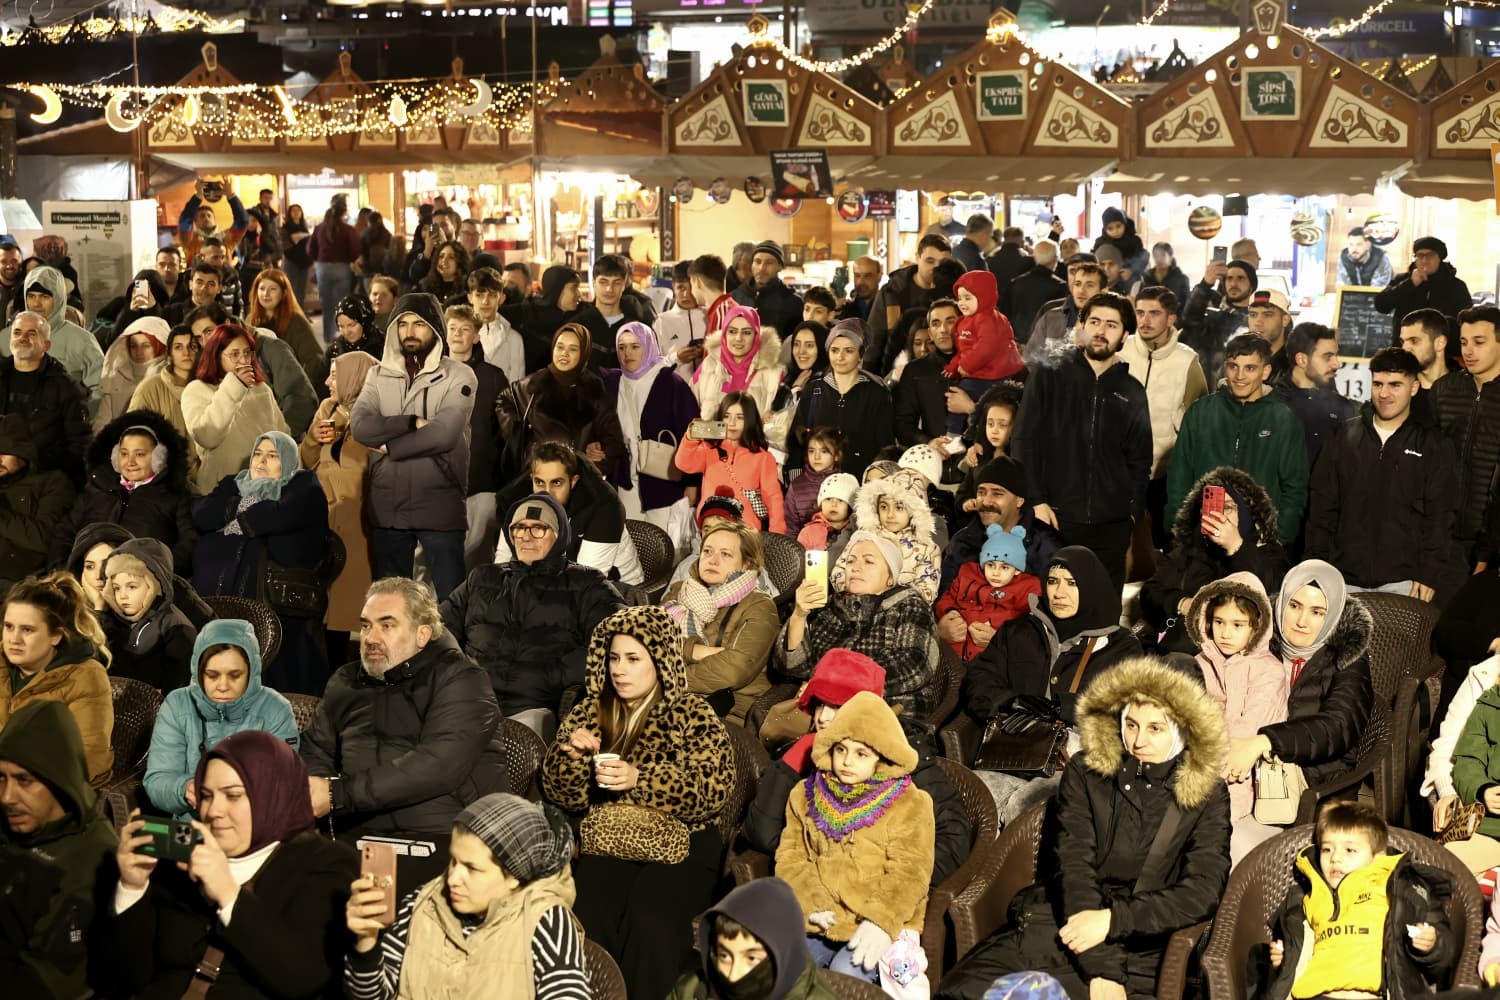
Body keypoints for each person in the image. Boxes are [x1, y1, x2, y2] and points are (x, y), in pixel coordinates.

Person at [937, 658, 1230, 1000]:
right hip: (1065, 918)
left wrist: (1113, 921)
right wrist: (1100, 965)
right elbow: (1073, 865)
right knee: (963, 992)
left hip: (1141, 941)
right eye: (1131, 724)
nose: (1137, 741)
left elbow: (1202, 891)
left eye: (1156, 728)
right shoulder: (1087, 771)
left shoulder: (1208, 793)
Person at [541, 605, 734, 1000]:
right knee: (589, 909)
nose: (619, 669)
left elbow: (714, 787)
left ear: (659, 660)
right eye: (613, 658)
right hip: (611, 838)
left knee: (650, 918)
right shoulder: (590, 712)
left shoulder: (691, 712)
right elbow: (562, 794)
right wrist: (569, 758)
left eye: (632, 659)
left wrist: (641, 780)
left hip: (685, 844)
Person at [102, 730, 358, 997]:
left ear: (274, 796)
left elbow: (305, 979)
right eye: (207, 795)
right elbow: (123, 981)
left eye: (233, 795)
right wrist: (131, 889)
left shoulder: (324, 863)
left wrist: (228, 893)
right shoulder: (179, 861)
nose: (213, 811)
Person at [303, 577, 504, 857]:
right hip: (351, 835)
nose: (371, 638)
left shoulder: (461, 679)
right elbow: (316, 749)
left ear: (422, 635)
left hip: (442, 839)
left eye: (387, 625)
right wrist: (316, 794)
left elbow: (438, 766)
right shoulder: (345, 680)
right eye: (366, 625)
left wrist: (337, 795)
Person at [960, 546, 1144, 820]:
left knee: (1026, 807)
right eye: (1053, 581)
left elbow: (1128, 709)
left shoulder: (1121, 647)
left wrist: (1063, 707)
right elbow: (978, 679)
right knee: (968, 801)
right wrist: (1010, 700)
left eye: (1072, 583)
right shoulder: (1019, 630)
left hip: (1077, 763)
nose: (1059, 593)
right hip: (1011, 752)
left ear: (1091, 587)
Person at [344, 793, 586, 1000]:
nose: (452, 878)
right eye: (453, 861)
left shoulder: (544, 920)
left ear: (514, 875)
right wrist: (366, 941)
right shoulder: (423, 903)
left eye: (472, 868)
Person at [776, 690, 934, 983]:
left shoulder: (910, 802)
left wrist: (880, 921)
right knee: (784, 966)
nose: (847, 761)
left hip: (879, 921)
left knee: (844, 974)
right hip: (823, 917)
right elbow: (792, 857)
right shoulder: (805, 794)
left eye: (861, 753)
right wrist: (812, 904)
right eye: (840, 750)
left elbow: (911, 872)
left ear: (881, 757)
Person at [442, 492, 623, 740]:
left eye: (538, 528)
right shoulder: (483, 577)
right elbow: (438, 629)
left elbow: (616, 638)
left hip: (536, 707)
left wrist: (555, 676)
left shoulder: (587, 584)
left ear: (558, 534)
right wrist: (461, 671)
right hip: (471, 700)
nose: (526, 537)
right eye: (518, 528)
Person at [1012, 291, 1152, 593]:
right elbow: (1024, 440)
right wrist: (1036, 500)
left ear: (1126, 334)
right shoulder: (1049, 376)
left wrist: (1131, 511)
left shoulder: (1131, 390)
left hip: (1111, 524)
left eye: (1112, 325)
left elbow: (1140, 458)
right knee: (1054, 606)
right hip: (1055, 517)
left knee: (1105, 609)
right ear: (1081, 325)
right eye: (1094, 322)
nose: (1101, 332)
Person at [1308, 346, 1466, 604]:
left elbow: (1440, 516)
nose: (1384, 393)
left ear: (1414, 388)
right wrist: (1316, 568)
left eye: (1395, 385)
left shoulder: (1434, 445)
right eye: (1378, 383)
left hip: (1405, 583)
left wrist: (1429, 574)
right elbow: (1322, 509)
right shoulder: (1342, 438)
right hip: (1342, 580)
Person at [348, 293, 476, 602]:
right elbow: (360, 425)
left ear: (435, 329)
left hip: (439, 505)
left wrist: (389, 446)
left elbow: (444, 434)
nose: (409, 331)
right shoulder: (377, 375)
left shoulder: (459, 375)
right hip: (387, 508)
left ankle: (451, 653)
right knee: (391, 603)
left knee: (451, 604)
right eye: (402, 324)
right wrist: (409, 422)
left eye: (419, 324)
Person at [1256, 801, 1454, 998]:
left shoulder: (1402, 889)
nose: (1335, 858)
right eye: (1327, 849)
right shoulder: (1303, 898)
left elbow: (1445, 955)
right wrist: (1284, 960)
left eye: (1349, 850)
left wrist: (1432, 945)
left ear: (1377, 855)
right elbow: (1295, 954)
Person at [192, 431, 329, 694]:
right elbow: (202, 513)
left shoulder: (303, 485)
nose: (261, 461)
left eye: (272, 456)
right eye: (257, 453)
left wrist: (234, 521)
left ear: (287, 461)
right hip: (222, 590)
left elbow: (277, 517)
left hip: (276, 597)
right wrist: (248, 505)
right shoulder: (235, 483)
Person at [1222, 560, 1375, 795]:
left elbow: (1339, 726)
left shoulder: (1348, 655)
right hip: (1249, 766)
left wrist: (1265, 741)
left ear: (1333, 613)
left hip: (1318, 781)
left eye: (1317, 612)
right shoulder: (1258, 640)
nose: (1302, 621)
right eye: (1294, 606)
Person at [0, 700, 116, 999]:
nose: (8, 796)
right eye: (2, 778)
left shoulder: (93, 857)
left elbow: (47, 979)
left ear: (58, 779)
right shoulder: (10, 822)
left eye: (25, 781)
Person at [777, 531, 940, 724]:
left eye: (869, 561)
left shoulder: (909, 605)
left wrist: (832, 683)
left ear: (890, 576)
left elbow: (914, 665)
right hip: (824, 712)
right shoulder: (830, 607)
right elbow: (793, 668)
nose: (855, 568)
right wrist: (799, 614)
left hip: (888, 716)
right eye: (850, 561)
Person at [143, 618, 297, 818]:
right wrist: (183, 788)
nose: (223, 686)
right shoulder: (177, 704)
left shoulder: (276, 710)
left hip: (254, 829)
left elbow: (283, 783)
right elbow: (158, 779)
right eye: (212, 675)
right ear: (199, 673)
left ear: (251, 673)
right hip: (192, 829)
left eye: (234, 675)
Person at [1167, 334, 1308, 547]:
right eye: (1234, 366)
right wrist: (1180, 530)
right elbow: (1179, 476)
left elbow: (1295, 488)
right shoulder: (1200, 413)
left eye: (1250, 368)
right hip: (1201, 541)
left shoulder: (1283, 420)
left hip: (1258, 545)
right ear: (1225, 367)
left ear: (1266, 371)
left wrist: (1278, 537)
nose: (1239, 376)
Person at [1187, 572, 1286, 864]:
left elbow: (1247, 734)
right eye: (1219, 622)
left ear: (1257, 626)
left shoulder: (1269, 671)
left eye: (1237, 625)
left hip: (1245, 777)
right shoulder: (1200, 663)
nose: (1226, 633)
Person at [1139, 468, 1292, 656]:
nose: (1220, 514)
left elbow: (1271, 594)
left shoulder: (1267, 552)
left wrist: (1236, 546)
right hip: (1180, 655)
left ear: (1245, 512)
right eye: (1212, 507)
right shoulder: (1189, 550)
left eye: (1228, 507)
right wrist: (1182, 603)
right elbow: (1150, 593)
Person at [660, 518, 778, 725]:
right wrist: (696, 650)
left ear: (746, 563)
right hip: (674, 698)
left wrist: (665, 675)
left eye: (725, 554)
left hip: (729, 710)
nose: (712, 560)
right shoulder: (680, 591)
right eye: (707, 551)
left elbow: (732, 671)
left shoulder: (760, 606)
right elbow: (649, 642)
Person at [300, 350, 377, 665]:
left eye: (335, 374)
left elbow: (364, 467)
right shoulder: (326, 408)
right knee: (321, 611)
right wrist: (312, 439)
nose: (327, 381)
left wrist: (349, 423)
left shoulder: (375, 417)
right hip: (323, 522)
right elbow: (308, 461)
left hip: (357, 526)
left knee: (348, 612)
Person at [0, 573, 112, 786]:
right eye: (9, 627)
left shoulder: (87, 677)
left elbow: (87, 756)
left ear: (56, 635)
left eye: (27, 630)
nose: (14, 639)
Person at [1120, 288, 1208, 546]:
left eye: (1154, 313)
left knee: (1161, 545)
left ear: (1171, 318)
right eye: (1140, 312)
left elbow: (1198, 421)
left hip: (1165, 474)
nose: (1145, 320)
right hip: (1119, 470)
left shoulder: (1187, 361)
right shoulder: (1120, 351)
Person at [602, 321, 699, 549]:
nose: (627, 354)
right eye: (622, 347)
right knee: (631, 547)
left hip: (665, 480)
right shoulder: (613, 383)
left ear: (649, 345)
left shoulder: (670, 383)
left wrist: (693, 483)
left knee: (664, 548)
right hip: (626, 481)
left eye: (635, 346)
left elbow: (693, 434)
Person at [494, 441, 644, 586]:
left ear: (573, 481)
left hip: (618, 588)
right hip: (554, 583)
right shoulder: (518, 500)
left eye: (556, 483)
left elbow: (586, 582)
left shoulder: (602, 507)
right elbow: (503, 562)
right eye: (540, 482)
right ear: (532, 479)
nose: (547, 493)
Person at [61, 410, 194, 572]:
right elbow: (65, 532)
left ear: (159, 458)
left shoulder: (175, 495)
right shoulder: (96, 487)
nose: (130, 462)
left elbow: (189, 543)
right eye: (124, 454)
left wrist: (157, 573)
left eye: (140, 454)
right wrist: (64, 571)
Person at [668, 877, 842, 1000]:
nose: (733, 975)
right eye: (725, 956)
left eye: (751, 958)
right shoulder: (690, 990)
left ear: (783, 957)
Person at [497, 323, 625, 482]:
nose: (564, 354)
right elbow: (503, 400)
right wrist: (520, 432)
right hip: (534, 481)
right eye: (560, 347)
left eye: (572, 349)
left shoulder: (596, 391)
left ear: (584, 353)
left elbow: (614, 442)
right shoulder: (533, 385)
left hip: (575, 484)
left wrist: (592, 466)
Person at [181, 323, 291, 494]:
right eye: (234, 354)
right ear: (216, 356)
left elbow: (282, 435)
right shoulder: (196, 390)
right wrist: (234, 387)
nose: (243, 360)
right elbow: (207, 436)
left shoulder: (261, 389)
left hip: (265, 488)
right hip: (222, 490)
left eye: (247, 353)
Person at [441, 304, 510, 573]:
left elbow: (506, 432)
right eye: (453, 328)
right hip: (439, 484)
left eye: (465, 329)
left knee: (477, 558)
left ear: (477, 336)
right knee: (438, 559)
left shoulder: (493, 378)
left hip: (481, 484)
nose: (458, 335)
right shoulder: (429, 373)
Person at [1431, 306, 1500, 569]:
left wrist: (1488, 550)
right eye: (1463, 342)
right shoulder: (1444, 391)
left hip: (1491, 546)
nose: (1468, 351)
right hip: (1442, 539)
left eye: (1479, 342)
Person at [939, 455, 1061, 595]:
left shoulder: (1045, 544)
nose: (986, 502)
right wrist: (950, 613)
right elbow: (945, 592)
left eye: (997, 494)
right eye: (981, 492)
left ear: (1019, 501)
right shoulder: (962, 541)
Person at [787, 320, 893, 480]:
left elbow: (885, 445)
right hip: (816, 486)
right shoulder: (814, 390)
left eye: (849, 351)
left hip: (861, 485)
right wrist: (796, 481)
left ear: (860, 354)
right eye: (834, 350)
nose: (840, 357)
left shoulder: (876, 393)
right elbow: (797, 440)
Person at [0, 309, 91, 487]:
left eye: (31, 333)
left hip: (41, 480)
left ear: (46, 345)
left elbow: (79, 443)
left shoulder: (66, 387)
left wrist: (39, 467)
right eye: (17, 332)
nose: (22, 338)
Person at [677, 393, 786, 533]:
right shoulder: (709, 449)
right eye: (727, 416)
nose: (732, 423)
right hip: (711, 528)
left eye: (740, 417)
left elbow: (773, 497)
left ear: (750, 420)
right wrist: (690, 438)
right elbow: (683, 463)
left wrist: (777, 533)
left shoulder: (763, 457)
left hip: (745, 533)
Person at [100, 537, 196, 693]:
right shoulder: (114, 622)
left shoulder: (176, 628)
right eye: (116, 588)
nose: (122, 595)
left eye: (132, 587)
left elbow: (177, 689)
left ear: (154, 585)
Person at [935, 523, 1040, 662]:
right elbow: (947, 598)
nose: (995, 573)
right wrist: (950, 611)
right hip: (953, 653)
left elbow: (1029, 627)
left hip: (988, 660)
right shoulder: (968, 575)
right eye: (990, 565)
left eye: (1004, 567)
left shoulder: (1025, 589)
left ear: (1017, 570)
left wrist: (1001, 637)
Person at [3, 267, 102, 414]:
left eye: (44, 296)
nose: (36, 304)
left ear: (59, 298)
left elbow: (100, 390)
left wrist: (78, 420)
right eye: (31, 296)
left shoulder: (82, 341)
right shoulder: (6, 338)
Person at [832, 471, 940, 603]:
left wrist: (886, 601)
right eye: (884, 507)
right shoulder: (864, 539)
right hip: (856, 608)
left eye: (899, 507)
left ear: (914, 511)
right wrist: (857, 594)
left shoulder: (927, 548)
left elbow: (927, 591)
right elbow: (838, 571)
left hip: (903, 615)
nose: (890, 515)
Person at [942, 270, 1024, 431]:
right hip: (981, 373)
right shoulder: (966, 320)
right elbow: (964, 349)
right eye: (959, 298)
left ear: (984, 297)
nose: (962, 303)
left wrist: (966, 365)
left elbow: (987, 346)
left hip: (991, 375)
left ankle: (953, 434)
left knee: (959, 395)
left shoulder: (987, 319)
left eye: (968, 298)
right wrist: (953, 367)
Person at [0, 416, 73, 590]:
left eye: (4, 452)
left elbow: (44, 538)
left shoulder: (52, 482)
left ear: (23, 452)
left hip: (25, 584)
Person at [1273, 322, 1354, 467]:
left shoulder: (1343, 407)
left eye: (1336, 355)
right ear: (1302, 360)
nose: (1336, 364)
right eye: (1327, 357)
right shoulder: (1272, 405)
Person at [1374, 236, 1472, 347]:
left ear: (1439, 258)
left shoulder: (1456, 286)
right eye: (1420, 256)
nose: (1424, 260)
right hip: (1406, 349)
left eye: (1430, 255)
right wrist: (1410, 284)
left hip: (1442, 351)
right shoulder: (1402, 280)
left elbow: (1466, 321)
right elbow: (1381, 305)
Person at [694, 304, 784, 421]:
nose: (738, 338)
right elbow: (691, 412)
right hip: (711, 439)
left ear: (756, 335)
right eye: (732, 331)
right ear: (724, 334)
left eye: (746, 332)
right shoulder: (708, 366)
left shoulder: (774, 374)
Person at [894, 299, 961, 448]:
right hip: (932, 458)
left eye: (950, 321)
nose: (943, 329)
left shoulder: (982, 367)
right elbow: (902, 424)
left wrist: (971, 407)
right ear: (930, 332)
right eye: (936, 323)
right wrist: (928, 443)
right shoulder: (914, 371)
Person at [1182, 257, 1255, 383]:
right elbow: (1190, 320)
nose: (1234, 283)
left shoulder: (1257, 320)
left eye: (1240, 278)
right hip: (1214, 391)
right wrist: (1205, 284)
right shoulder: (1213, 319)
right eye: (1229, 278)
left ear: (1252, 285)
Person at [575, 254, 658, 365]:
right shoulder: (579, 325)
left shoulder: (638, 327)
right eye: (603, 282)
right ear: (594, 283)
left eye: (617, 282)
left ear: (624, 285)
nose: (609, 289)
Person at [246, 268, 322, 383]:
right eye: (262, 289)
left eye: (272, 289)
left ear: (284, 293)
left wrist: (299, 387)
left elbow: (314, 360)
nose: (266, 294)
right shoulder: (250, 320)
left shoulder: (296, 321)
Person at [1022, 260, 1104, 365]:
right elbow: (1029, 357)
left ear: (1103, 291)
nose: (1081, 290)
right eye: (1078, 284)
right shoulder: (1051, 317)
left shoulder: (1108, 324)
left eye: (1089, 285)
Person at [766, 320, 829, 454]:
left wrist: (796, 391)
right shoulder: (790, 377)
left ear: (822, 347)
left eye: (810, 345)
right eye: (796, 344)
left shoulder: (826, 384)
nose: (801, 352)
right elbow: (773, 414)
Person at [96, 314, 168, 430]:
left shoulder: (168, 378)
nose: (139, 352)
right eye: (133, 346)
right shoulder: (117, 378)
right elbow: (101, 426)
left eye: (146, 346)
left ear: (159, 346)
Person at [310, 193, 363, 343]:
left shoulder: (319, 228)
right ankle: (342, 336)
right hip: (342, 267)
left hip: (323, 268)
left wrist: (318, 259)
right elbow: (354, 251)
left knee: (326, 304)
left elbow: (311, 249)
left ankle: (328, 337)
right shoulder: (347, 229)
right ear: (344, 212)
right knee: (341, 304)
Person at [313, 291, 383, 400]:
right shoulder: (335, 349)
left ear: (365, 321)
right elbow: (320, 386)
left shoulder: (382, 345)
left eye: (351, 325)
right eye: (341, 326)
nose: (346, 332)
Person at [731, 241, 803, 344]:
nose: (761, 268)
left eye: (769, 263)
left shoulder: (794, 303)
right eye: (757, 261)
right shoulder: (735, 297)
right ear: (752, 265)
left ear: (780, 267)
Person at [1002, 239, 1066, 344]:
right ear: (1055, 259)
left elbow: (1005, 313)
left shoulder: (1016, 283)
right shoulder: (1060, 286)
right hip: (1043, 343)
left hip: (1016, 341)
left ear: (1035, 257)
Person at [784, 428, 842, 539]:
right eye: (811, 451)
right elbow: (791, 528)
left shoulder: (844, 484)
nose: (816, 457)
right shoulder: (797, 487)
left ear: (836, 455)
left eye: (824, 451)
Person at [656, 260, 708, 379]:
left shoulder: (710, 315)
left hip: (707, 392)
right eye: (681, 288)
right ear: (673, 287)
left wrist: (707, 351)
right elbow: (653, 366)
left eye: (691, 288)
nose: (686, 294)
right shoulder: (662, 321)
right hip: (676, 392)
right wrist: (677, 358)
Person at [177, 179, 249, 262]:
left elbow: (242, 222)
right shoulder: (190, 240)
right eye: (202, 216)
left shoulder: (227, 238)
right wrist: (197, 197)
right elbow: (184, 221)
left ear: (214, 220)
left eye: (209, 216)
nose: (206, 218)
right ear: (195, 222)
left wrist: (231, 196)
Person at [798, 472, 858, 554]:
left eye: (840, 500)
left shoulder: (854, 532)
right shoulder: (809, 532)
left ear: (850, 506)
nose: (833, 504)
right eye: (828, 499)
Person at [1132, 241, 1192, 306]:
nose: (1159, 259)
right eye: (1156, 255)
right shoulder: (1146, 278)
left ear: (1170, 257)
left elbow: (1186, 307)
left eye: (1163, 255)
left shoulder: (1181, 279)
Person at [280, 204, 312, 310]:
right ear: (289, 213)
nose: (296, 212)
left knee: (302, 289)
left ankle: (301, 312)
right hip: (291, 261)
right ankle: (292, 312)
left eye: (298, 210)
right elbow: (285, 246)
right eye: (293, 210)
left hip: (304, 262)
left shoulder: (304, 226)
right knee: (292, 288)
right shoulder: (286, 227)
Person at [837, 255, 882, 325]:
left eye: (867, 276)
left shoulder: (888, 307)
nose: (861, 282)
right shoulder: (845, 309)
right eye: (857, 276)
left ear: (879, 276)